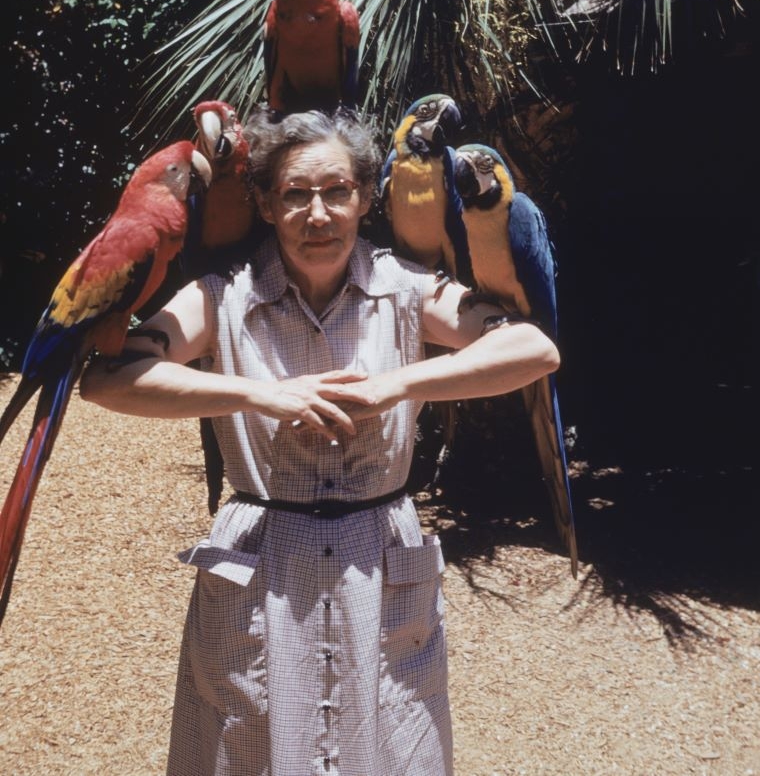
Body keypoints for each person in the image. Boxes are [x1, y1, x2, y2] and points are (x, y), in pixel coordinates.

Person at [80, 108, 561, 776]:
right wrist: (260, 394)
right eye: (296, 194)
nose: (318, 214)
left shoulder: (408, 289)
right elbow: (108, 380)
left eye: (337, 191)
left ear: (366, 199)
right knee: (244, 746)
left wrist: (391, 386)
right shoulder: (221, 297)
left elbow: (534, 349)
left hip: (380, 557)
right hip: (261, 563)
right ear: (267, 204)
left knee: (393, 746)